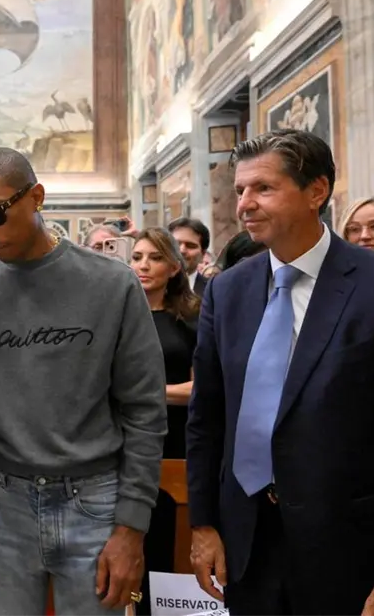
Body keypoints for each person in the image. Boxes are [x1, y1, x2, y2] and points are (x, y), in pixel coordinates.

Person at [186, 130, 374, 616]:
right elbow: (207, 417)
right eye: (241, 190)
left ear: (316, 191)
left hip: (354, 551)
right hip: (247, 544)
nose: (245, 204)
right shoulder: (227, 291)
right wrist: (204, 523)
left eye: (263, 188)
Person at [0, 147, 167, 614]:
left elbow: (144, 412)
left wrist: (132, 526)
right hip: (4, 499)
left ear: (36, 197)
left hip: (95, 499)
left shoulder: (112, 284)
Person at [129, 227, 199, 616]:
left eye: (155, 258)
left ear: (174, 267)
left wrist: (150, 394)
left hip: (175, 441)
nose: (143, 265)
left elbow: (202, 388)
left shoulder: (191, 317)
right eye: (137, 257)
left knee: (168, 541)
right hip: (124, 441)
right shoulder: (118, 315)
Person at [167, 217, 211, 294]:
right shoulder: (149, 287)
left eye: (190, 246)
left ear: (202, 254)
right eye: (176, 244)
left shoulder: (213, 291)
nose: (182, 250)